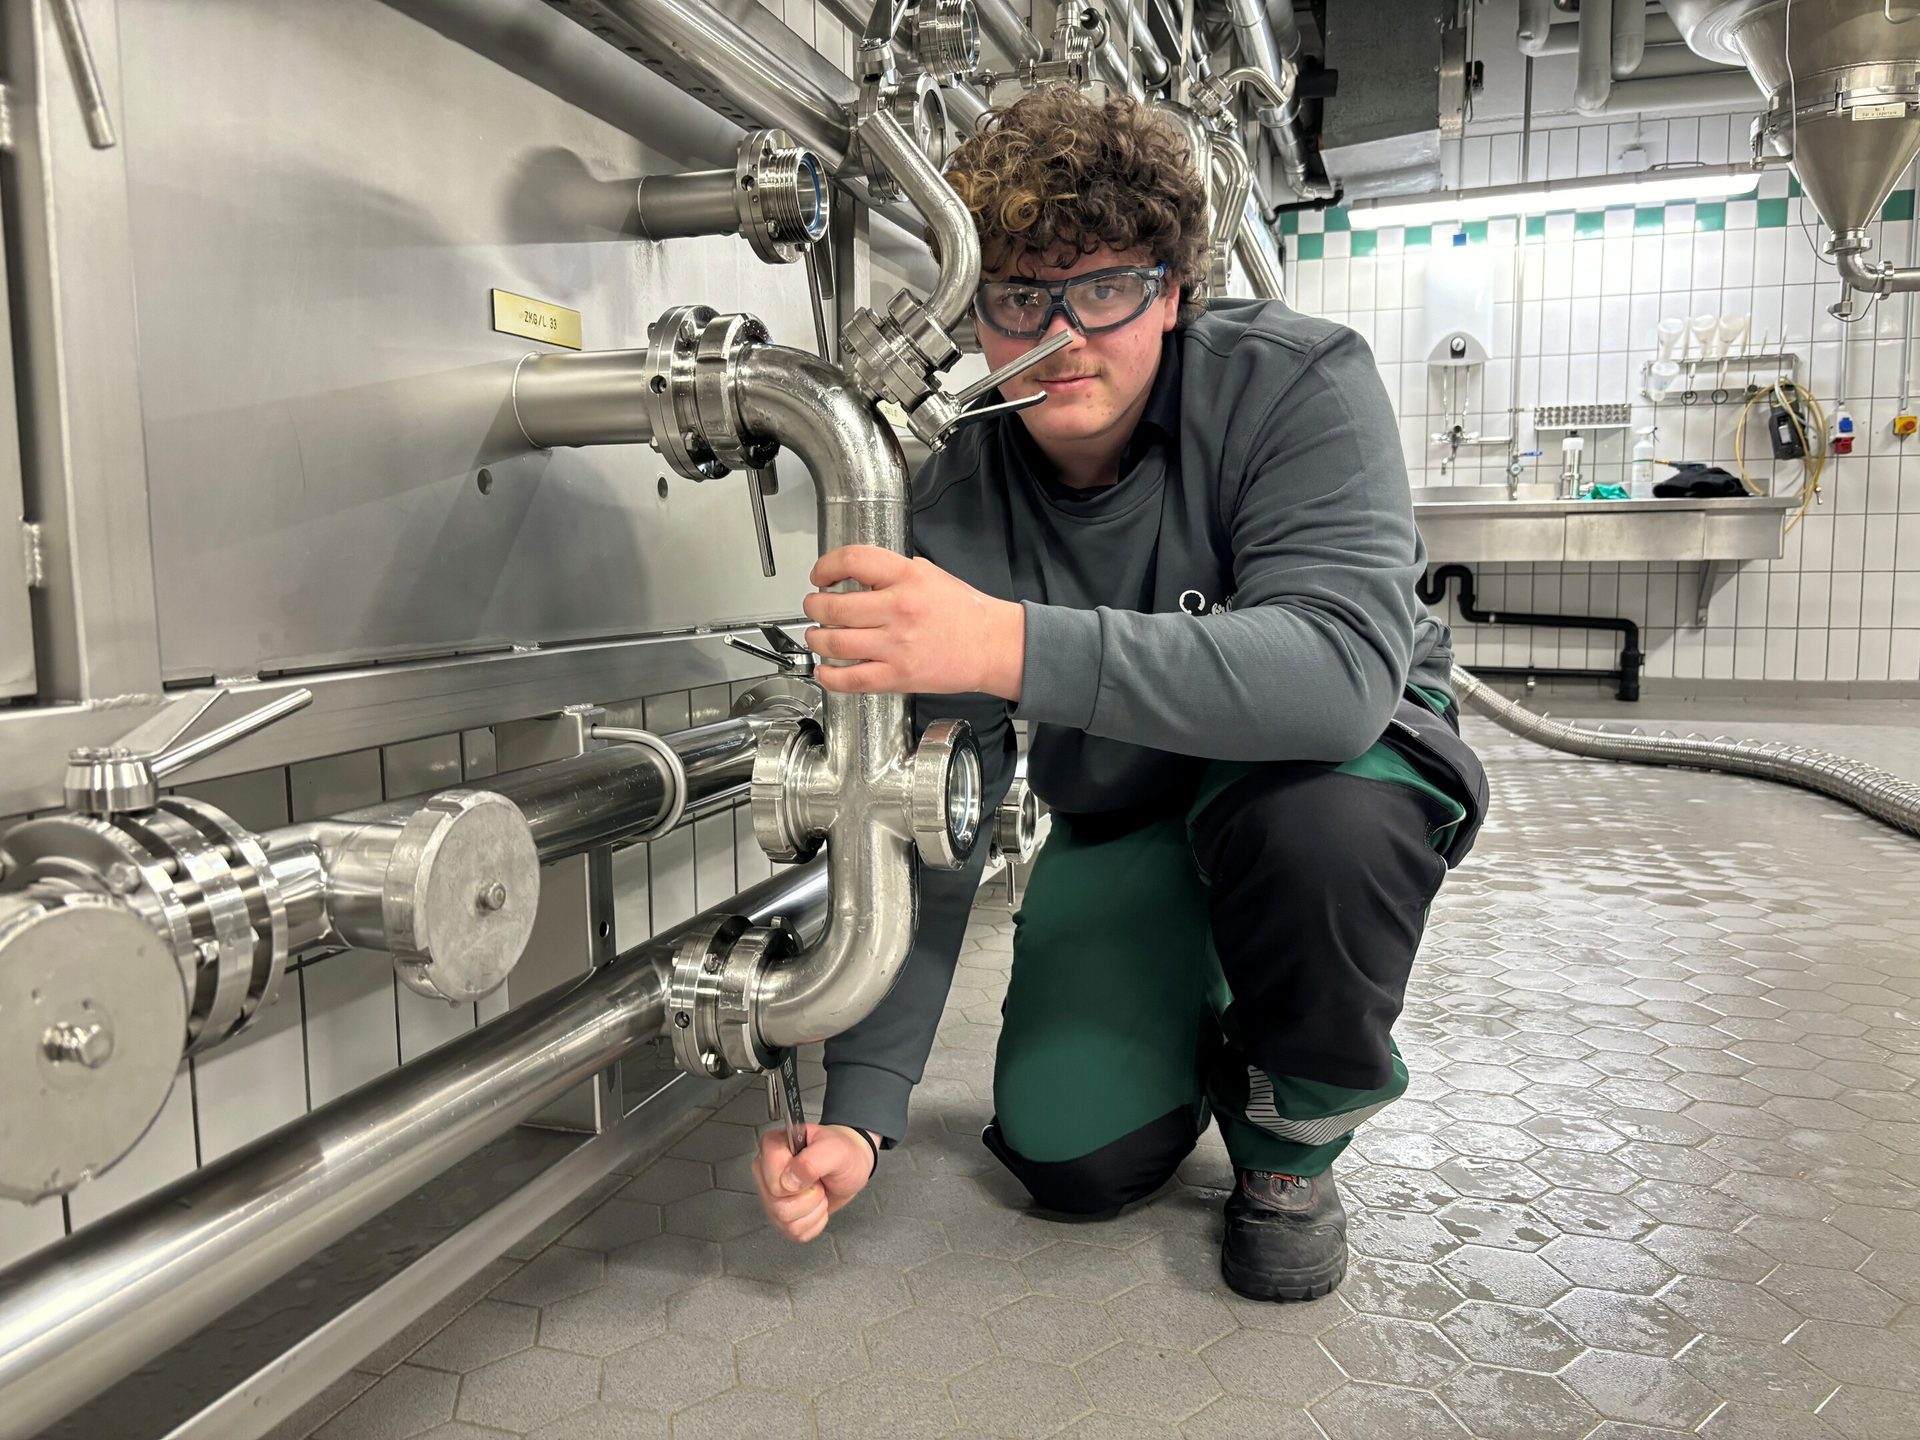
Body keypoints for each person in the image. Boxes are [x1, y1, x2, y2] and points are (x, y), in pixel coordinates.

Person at [749, 85, 1487, 1301]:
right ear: (975, 312)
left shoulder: (1296, 385)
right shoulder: (959, 498)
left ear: (1175, 290)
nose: (1064, 336)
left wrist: (1002, 642)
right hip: (1134, 809)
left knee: (1320, 832)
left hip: (1329, 778)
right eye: (1020, 297)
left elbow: (1339, 678)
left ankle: (1290, 1142)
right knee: (1071, 1158)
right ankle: (1200, 990)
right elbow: (930, 811)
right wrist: (863, 1111)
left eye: (1105, 289)